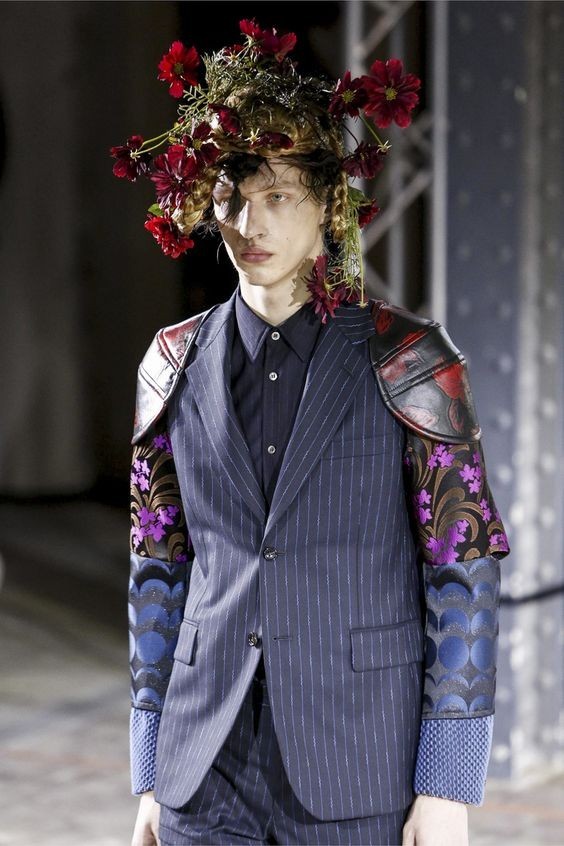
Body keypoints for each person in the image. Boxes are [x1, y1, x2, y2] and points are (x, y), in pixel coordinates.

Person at [113, 20, 510, 846]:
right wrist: (149, 770)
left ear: (328, 203)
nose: (248, 223)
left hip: (359, 765)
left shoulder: (410, 359)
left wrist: (448, 784)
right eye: (231, 195)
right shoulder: (171, 362)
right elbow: (157, 571)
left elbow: (462, 571)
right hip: (202, 769)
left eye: (278, 196)